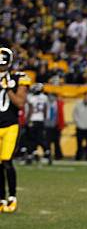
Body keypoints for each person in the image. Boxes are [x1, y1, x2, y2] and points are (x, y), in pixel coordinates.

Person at [0, 47, 30, 213]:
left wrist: (7, 89)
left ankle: (12, 197)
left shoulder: (18, 78)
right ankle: (1, 198)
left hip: (10, 125)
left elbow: (20, 103)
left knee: (6, 160)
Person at [25, 82, 51, 165]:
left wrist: (27, 120)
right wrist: (45, 119)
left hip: (32, 120)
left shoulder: (30, 97)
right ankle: (46, 153)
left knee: (31, 139)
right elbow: (45, 110)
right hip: (41, 120)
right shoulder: (45, 97)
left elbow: (30, 109)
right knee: (40, 138)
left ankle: (31, 155)